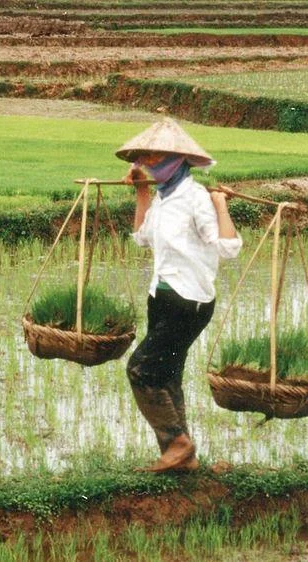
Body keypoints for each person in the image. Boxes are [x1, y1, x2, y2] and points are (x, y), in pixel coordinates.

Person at [117, 118, 242, 473]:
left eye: (155, 157)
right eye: (145, 158)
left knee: (140, 370)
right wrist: (141, 191)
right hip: (161, 297)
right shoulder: (162, 197)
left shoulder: (196, 198)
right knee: (166, 375)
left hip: (189, 302)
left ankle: (177, 444)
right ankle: (181, 458)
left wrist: (220, 205)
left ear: (177, 159)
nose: (147, 163)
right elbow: (142, 237)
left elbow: (229, 247)